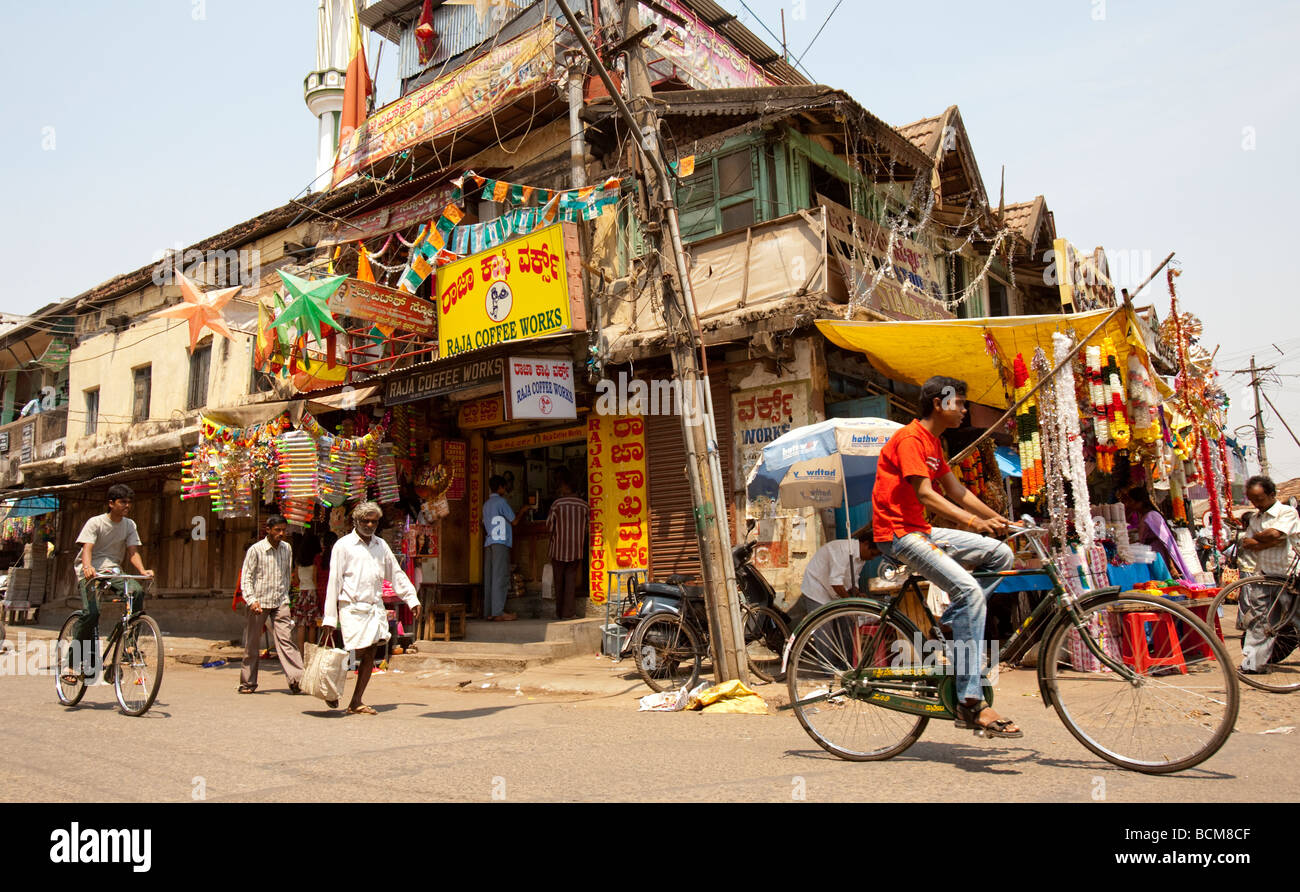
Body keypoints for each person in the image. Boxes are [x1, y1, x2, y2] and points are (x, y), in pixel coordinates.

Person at [871, 375, 1020, 738]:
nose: (965, 410)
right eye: (961, 403)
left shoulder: (934, 443)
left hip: (920, 531)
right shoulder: (910, 439)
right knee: (969, 590)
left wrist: (994, 519)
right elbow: (926, 494)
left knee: (1000, 554)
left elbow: (955, 489)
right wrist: (972, 522)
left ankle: (954, 620)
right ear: (940, 403)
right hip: (898, 534)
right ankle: (971, 701)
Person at [321, 502, 421, 714]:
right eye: (365, 520)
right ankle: (330, 690)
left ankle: (356, 700)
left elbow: (396, 574)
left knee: (370, 651)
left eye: (374, 521)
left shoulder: (381, 546)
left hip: (373, 607)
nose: (369, 524)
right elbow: (334, 582)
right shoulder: (343, 545)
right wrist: (329, 618)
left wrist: (412, 599)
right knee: (349, 650)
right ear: (355, 521)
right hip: (351, 607)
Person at [66, 483, 154, 683]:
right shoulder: (95, 522)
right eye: (123, 502)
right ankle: (71, 664)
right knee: (91, 613)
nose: (127, 506)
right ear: (111, 503)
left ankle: (129, 645)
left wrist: (142, 571)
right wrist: (88, 567)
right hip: (91, 572)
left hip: (113, 570)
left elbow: (133, 552)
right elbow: (87, 548)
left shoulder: (129, 525)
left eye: (129, 503)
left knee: (137, 592)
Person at [1236, 476, 1300, 674]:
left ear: (1272, 495)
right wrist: (1270, 539)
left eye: (1260, 499)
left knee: (1298, 619)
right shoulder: (1256, 518)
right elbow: (1248, 543)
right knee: (1260, 621)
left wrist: (1266, 538)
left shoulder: (1287, 512)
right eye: (1253, 500)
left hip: (1290, 575)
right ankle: (1253, 664)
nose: (1256, 504)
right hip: (1265, 576)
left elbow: (1276, 534)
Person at [238, 515, 304, 695]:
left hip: (280, 601)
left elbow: (286, 575)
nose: (281, 534)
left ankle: (297, 680)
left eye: (284, 530)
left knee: (286, 641)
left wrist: (286, 598)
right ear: (268, 530)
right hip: (259, 602)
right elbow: (247, 577)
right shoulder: (256, 550)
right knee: (252, 644)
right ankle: (248, 683)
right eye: (277, 530)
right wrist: (251, 600)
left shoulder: (287, 548)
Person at [790, 527, 880, 624]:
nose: (872, 558)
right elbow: (836, 582)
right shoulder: (844, 550)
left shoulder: (861, 558)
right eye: (872, 554)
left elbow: (851, 580)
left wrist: (857, 594)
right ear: (866, 544)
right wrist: (851, 602)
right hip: (817, 588)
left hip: (833, 593)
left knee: (845, 628)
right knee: (824, 631)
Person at [1119, 485, 1196, 581]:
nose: (1128, 504)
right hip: (1149, 556)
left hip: (1159, 557)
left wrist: (1171, 566)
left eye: (1131, 501)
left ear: (1140, 502)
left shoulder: (1152, 516)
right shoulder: (1143, 516)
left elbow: (1165, 543)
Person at [482, 475, 532, 622]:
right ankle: (498, 612)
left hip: (489, 542)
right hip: (500, 542)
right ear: (501, 487)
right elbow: (514, 521)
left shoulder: (486, 504)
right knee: (500, 577)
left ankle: (489, 612)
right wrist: (523, 510)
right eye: (504, 486)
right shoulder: (501, 502)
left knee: (490, 578)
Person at [547, 471, 589, 620]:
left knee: (558, 581)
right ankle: (568, 613)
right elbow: (587, 528)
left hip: (558, 548)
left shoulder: (557, 504)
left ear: (565, 487)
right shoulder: (584, 505)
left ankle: (559, 613)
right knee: (570, 580)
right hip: (575, 549)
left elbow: (549, 526)